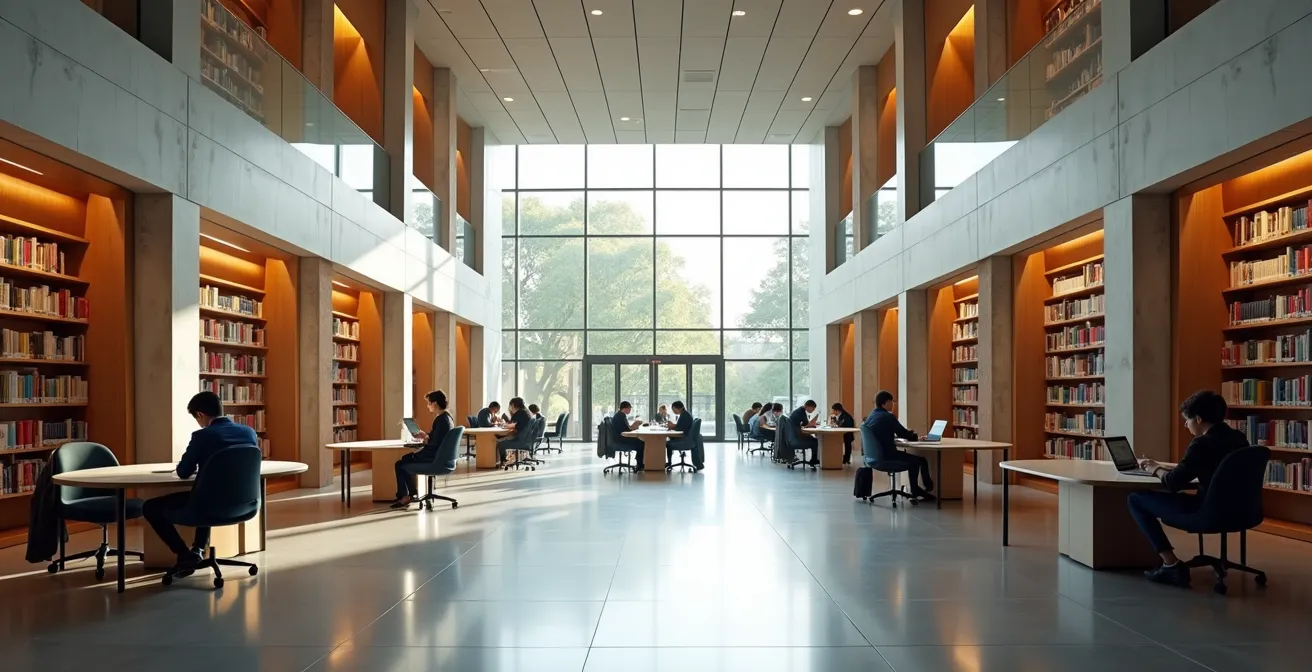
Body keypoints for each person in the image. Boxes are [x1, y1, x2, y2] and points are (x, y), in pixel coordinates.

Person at [1127, 390, 1248, 587]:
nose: (1186, 425)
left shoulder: (1201, 443)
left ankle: (1170, 564)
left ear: (1199, 419)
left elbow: (1173, 484)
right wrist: (1166, 468)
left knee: (1135, 499)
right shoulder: (1239, 438)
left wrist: (1154, 468)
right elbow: (1203, 468)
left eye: (1188, 420)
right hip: (1241, 511)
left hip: (1206, 511)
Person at [142, 391, 260, 573]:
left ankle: (184, 555)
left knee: (150, 507)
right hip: (245, 505)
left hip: (208, 506)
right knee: (206, 493)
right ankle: (197, 549)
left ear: (200, 415)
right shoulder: (249, 432)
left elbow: (183, 472)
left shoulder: (202, 436)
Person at [863, 390, 935, 501]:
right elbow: (903, 433)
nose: (893, 404)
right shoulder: (888, 416)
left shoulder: (871, 416)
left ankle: (919, 489)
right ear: (885, 403)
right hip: (887, 456)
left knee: (915, 459)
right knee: (919, 461)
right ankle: (919, 489)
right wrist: (916, 436)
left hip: (873, 457)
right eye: (891, 402)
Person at [391, 390, 454, 509]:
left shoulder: (440, 420)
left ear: (434, 403)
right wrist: (426, 436)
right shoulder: (447, 418)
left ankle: (405, 496)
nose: (428, 406)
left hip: (434, 458)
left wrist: (424, 443)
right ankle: (411, 493)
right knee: (405, 460)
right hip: (440, 456)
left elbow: (433, 445)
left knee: (400, 464)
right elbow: (438, 438)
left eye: (429, 403)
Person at [496, 397, 534, 466]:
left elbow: (512, 424)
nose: (510, 407)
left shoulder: (519, 412)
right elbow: (516, 425)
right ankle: (506, 460)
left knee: (501, 444)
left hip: (521, 441)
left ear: (513, 405)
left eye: (510, 405)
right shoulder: (527, 412)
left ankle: (503, 462)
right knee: (504, 438)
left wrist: (504, 425)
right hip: (527, 440)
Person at [664, 400, 699, 470]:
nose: (673, 411)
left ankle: (669, 462)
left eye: (673, 409)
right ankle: (669, 462)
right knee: (670, 438)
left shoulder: (684, 416)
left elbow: (679, 428)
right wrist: (673, 426)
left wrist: (671, 426)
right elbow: (680, 426)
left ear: (678, 408)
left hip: (685, 440)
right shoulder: (685, 414)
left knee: (667, 443)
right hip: (688, 438)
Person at [611, 400, 645, 465]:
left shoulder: (620, 415)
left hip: (620, 438)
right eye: (629, 408)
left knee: (640, 441)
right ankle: (640, 464)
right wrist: (633, 428)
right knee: (641, 443)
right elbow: (624, 431)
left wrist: (634, 426)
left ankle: (640, 462)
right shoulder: (620, 416)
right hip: (621, 440)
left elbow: (626, 428)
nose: (630, 410)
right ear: (625, 408)